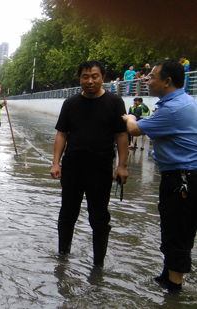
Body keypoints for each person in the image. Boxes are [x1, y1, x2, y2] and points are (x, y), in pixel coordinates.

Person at [122, 59, 197, 291]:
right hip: (183, 177)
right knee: (176, 228)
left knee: (176, 231)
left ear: (167, 81)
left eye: (152, 77)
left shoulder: (174, 109)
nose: (147, 80)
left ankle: (173, 292)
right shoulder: (183, 102)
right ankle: (167, 277)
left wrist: (129, 118)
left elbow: (134, 130)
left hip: (181, 179)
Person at [50, 60, 129, 268]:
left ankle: (98, 265)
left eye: (95, 76)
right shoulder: (70, 103)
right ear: (80, 79)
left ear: (103, 77)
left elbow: (122, 135)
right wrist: (56, 163)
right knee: (67, 213)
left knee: (99, 217)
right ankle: (63, 257)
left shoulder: (114, 102)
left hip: (101, 168)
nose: (90, 81)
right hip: (72, 167)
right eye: (85, 77)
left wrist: (122, 166)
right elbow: (61, 134)